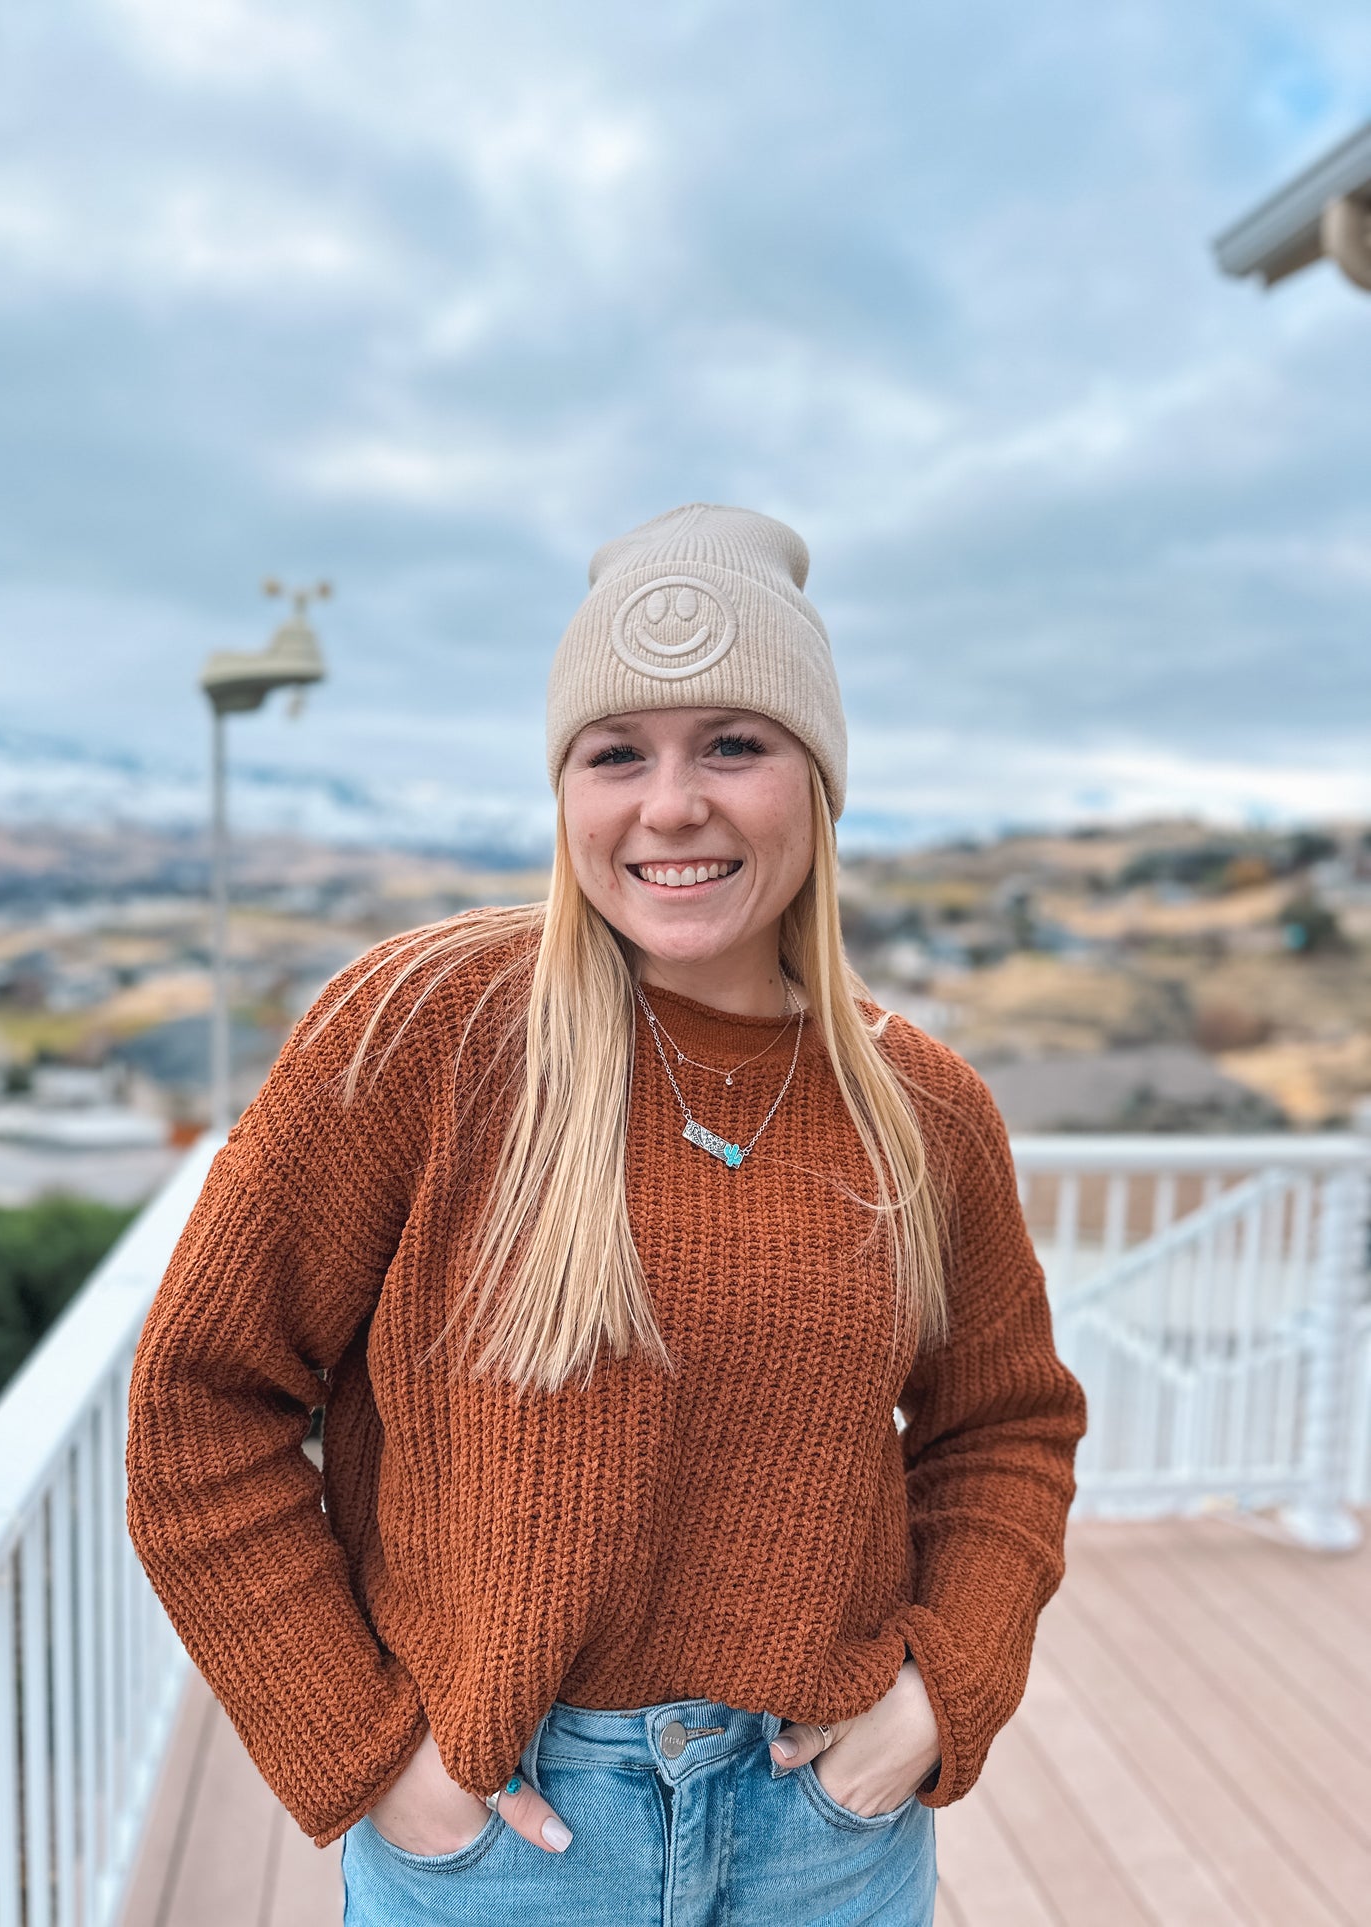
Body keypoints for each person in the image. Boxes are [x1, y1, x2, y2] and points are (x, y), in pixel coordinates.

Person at [126, 502, 1087, 1926]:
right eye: (615, 753)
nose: (669, 805)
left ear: (817, 782)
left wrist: (938, 1698)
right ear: (563, 788)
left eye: (734, 745)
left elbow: (1002, 1429)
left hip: (827, 1839)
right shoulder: (423, 1033)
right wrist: (369, 1756)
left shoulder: (918, 1104)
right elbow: (200, 1407)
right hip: (502, 1845)